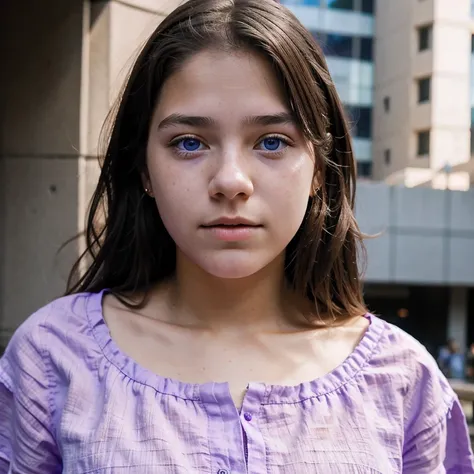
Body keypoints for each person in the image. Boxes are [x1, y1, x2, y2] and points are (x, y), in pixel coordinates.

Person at [0, 0, 473, 472]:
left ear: (317, 169)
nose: (230, 180)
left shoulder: (403, 381)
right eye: (189, 143)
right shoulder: (51, 359)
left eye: (272, 142)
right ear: (143, 165)